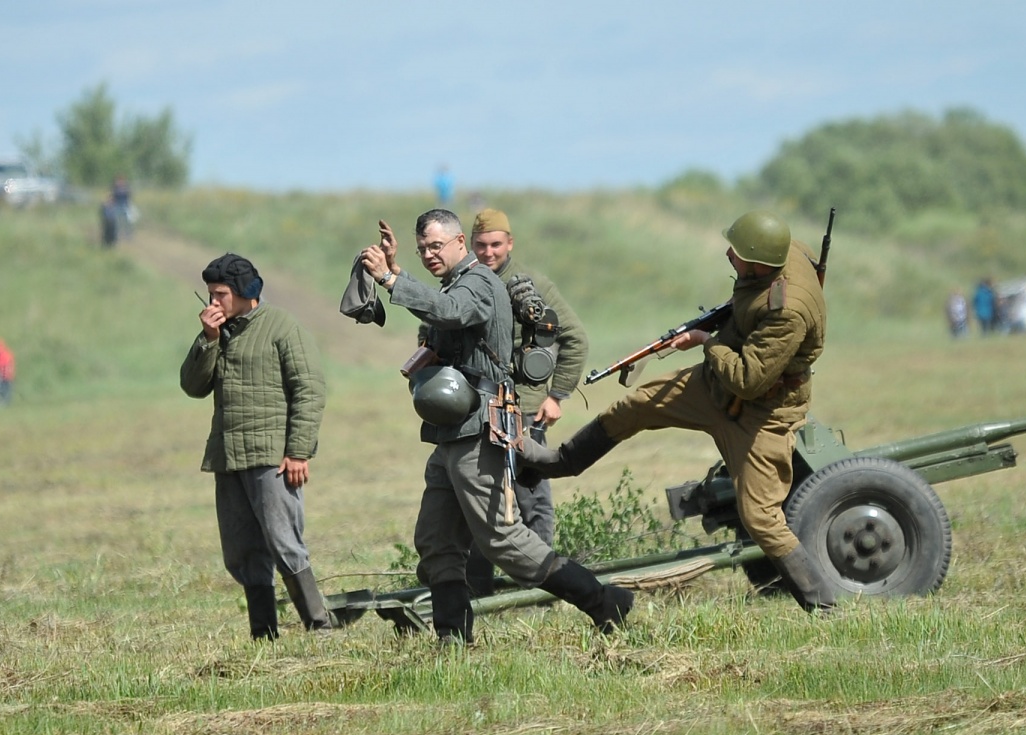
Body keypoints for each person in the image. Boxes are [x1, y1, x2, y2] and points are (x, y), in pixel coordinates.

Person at [521, 210, 836, 613]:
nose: (728, 254)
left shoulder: (788, 309)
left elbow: (749, 379)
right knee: (636, 405)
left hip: (764, 409)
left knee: (760, 518)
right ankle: (557, 463)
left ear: (760, 262)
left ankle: (822, 605)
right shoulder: (781, 250)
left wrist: (706, 340)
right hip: (717, 383)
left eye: (736, 253)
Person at [357, 209, 632, 644]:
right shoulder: (455, 283)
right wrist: (397, 273)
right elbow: (443, 308)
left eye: (436, 246)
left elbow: (451, 310)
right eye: (422, 249)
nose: (429, 254)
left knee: (504, 541)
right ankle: (453, 640)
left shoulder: (480, 282)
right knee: (436, 541)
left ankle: (603, 601)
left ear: (459, 242)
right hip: (451, 432)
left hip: (479, 430)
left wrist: (393, 282)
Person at [180, 253, 333, 640]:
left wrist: (298, 451)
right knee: (242, 551)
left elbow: (309, 389)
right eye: (210, 294)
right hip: (228, 456)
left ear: (246, 293)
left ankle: (320, 627)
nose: (214, 302)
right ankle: (263, 634)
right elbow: (192, 386)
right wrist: (209, 340)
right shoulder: (219, 332)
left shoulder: (282, 327)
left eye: (221, 294)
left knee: (285, 544)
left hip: (273, 458)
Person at [460, 208, 589, 597]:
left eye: (496, 244)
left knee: (532, 497)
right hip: (473, 410)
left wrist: (557, 394)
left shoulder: (534, 285)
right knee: (479, 501)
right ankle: (478, 591)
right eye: (480, 245)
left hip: (523, 409)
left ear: (510, 243)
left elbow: (576, 338)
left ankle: (545, 588)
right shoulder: (462, 284)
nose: (488, 252)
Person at [0, 339, 15, 404]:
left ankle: (5, 403)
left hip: (6, 376)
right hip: (0, 376)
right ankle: (1, 402)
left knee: (6, 390)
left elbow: (8, 365)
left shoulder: (6, 355)